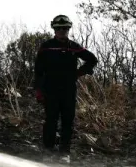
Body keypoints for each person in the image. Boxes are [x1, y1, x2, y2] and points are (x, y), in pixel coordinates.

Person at [33, 15, 98, 152]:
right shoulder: (46, 47)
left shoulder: (74, 47)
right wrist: (38, 90)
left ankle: (64, 151)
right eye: (59, 28)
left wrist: (79, 72)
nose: (62, 31)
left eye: (65, 28)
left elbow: (92, 59)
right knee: (51, 120)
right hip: (50, 89)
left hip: (69, 89)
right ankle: (48, 150)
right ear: (54, 29)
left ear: (68, 29)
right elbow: (38, 71)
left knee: (68, 121)